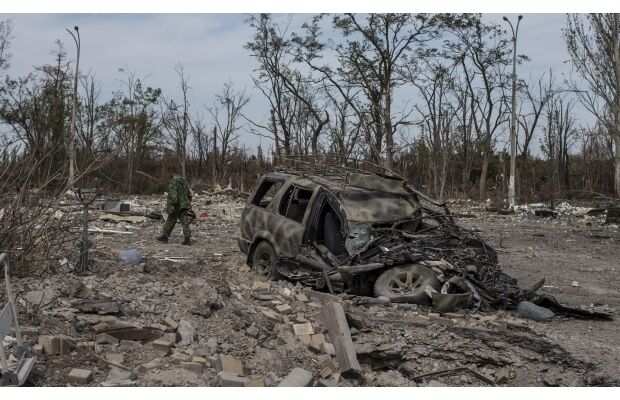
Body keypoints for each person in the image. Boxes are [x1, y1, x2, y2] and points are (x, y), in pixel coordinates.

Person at [157, 165, 192, 245]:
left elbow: (174, 195)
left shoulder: (173, 182)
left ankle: (164, 237)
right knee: (184, 221)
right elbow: (189, 193)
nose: (168, 175)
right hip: (184, 204)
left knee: (170, 220)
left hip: (176, 205)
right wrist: (187, 202)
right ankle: (187, 239)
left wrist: (172, 205)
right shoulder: (183, 180)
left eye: (168, 173)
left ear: (171, 172)